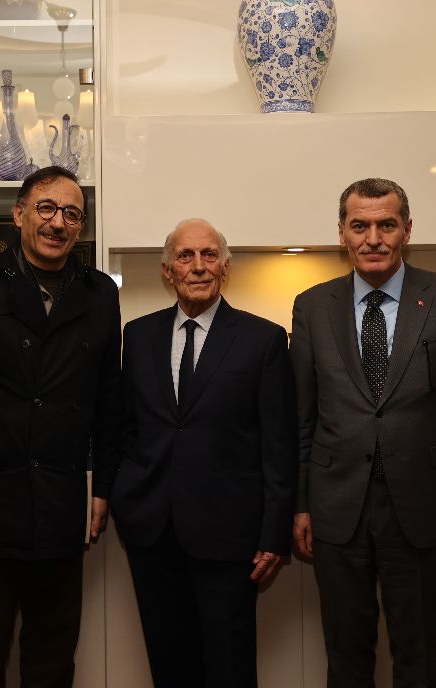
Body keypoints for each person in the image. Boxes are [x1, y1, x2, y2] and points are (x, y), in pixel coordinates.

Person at [291, 178, 436, 687]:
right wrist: (301, 504)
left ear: (407, 230)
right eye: (359, 225)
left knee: (418, 654)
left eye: (387, 224)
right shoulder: (312, 306)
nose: (373, 238)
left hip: (422, 507)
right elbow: (302, 418)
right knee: (345, 656)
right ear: (342, 232)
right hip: (337, 509)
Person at [0, 166, 121, 688]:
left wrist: (102, 487)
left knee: (53, 659)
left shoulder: (100, 292)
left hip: (63, 501)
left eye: (72, 214)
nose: (58, 223)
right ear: (19, 215)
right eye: (46, 208)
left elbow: (108, 399)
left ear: (81, 227)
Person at [111, 218, 297, 688]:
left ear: (225, 267)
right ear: (167, 270)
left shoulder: (263, 339)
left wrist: (274, 532)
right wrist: (126, 496)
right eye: (185, 256)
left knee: (229, 666)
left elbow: (279, 444)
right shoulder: (138, 335)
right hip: (152, 531)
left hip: (230, 535)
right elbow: (128, 427)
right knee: (169, 665)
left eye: (209, 255)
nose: (198, 266)